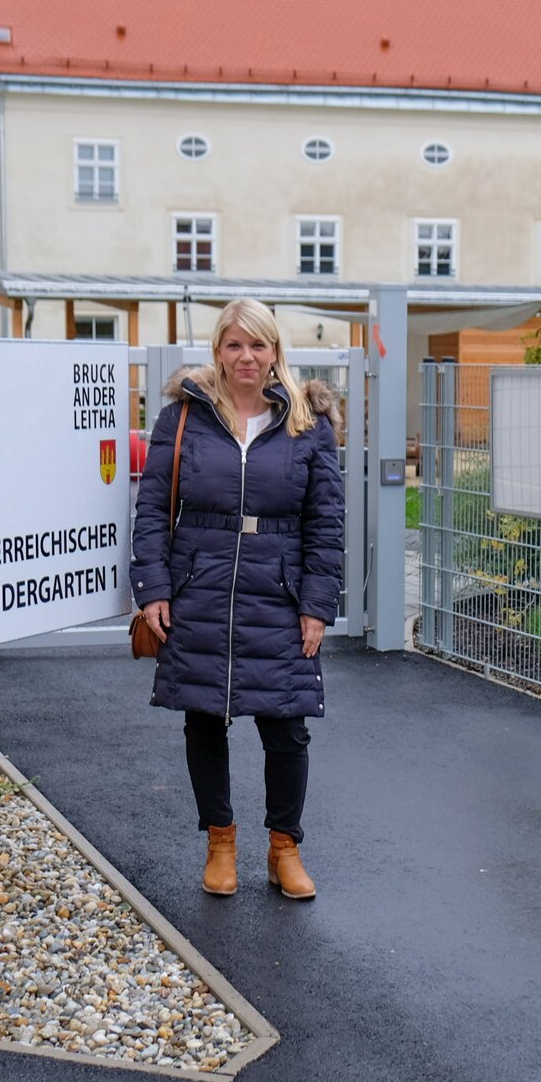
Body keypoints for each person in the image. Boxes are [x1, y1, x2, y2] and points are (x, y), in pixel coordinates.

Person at [130, 299, 345, 899]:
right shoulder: (182, 418)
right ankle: (220, 843)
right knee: (204, 719)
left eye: (258, 345)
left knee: (287, 726)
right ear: (218, 352)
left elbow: (326, 522)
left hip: (278, 592)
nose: (246, 356)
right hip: (199, 587)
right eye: (234, 345)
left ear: (275, 351)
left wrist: (317, 604)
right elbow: (152, 508)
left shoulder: (307, 424)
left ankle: (284, 848)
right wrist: (153, 588)